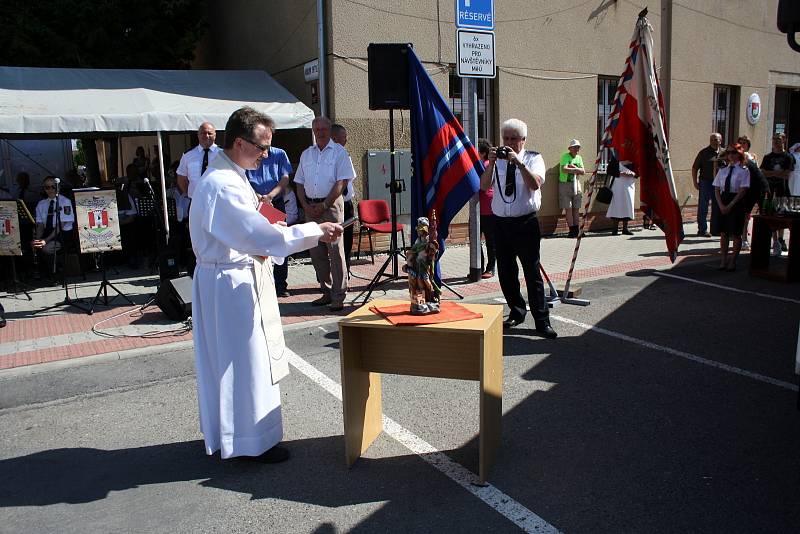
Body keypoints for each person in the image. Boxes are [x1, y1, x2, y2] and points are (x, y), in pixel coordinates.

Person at [190, 106, 343, 463]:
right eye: (261, 147)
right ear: (239, 142)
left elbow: (257, 224)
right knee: (243, 361)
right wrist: (313, 231)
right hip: (229, 283)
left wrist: (278, 227)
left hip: (239, 276)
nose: (266, 155)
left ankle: (247, 435)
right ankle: (248, 442)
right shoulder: (221, 184)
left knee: (250, 359)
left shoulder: (234, 173)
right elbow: (255, 235)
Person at [479, 118, 557, 339]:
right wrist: (492, 163)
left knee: (532, 272)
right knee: (506, 272)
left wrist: (519, 164)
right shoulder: (497, 161)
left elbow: (534, 184)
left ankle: (542, 320)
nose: (510, 143)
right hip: (501, 223)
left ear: (523, 140)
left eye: (514, 139)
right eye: (506, 138)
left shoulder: (533, 158)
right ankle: (516, 310)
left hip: (526, 223)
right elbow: (484, 186)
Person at [294, 116, 356, 312]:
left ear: (329, 130)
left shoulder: (339, 153)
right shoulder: (306, 154)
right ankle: (326, 290)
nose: (320, 132)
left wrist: (325, 204)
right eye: (317, 129)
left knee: (335, 251)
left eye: (323, 128)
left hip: (330, 207)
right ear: (313, 131)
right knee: (316, 251)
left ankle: (339, 295)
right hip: (310, 208)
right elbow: (299, 182)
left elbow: (342, 182)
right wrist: (304, 205)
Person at [246, 122, 295, 297]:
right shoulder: (250, 154)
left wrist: (270, 196)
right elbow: (243, 179)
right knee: (256, 242)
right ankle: (260, 283)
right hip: (255, 203)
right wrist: (259, 197)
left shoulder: (280, 154)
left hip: (276, 202)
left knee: (280, 241)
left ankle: (280, 285)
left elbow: (285, 178)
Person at [713, 144, 750, 271]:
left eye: (734, 152)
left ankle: (733, 260)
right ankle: (723, 259)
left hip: (736, 202)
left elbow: (743, 190)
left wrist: (730, 205)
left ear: (739, 154)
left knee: (735, 233)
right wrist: (721, 205)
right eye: (729, 153)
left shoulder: (744, 170)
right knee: (723, 233)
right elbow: (717, 188)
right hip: (723, 200)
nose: (731, 155)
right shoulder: (723, 170)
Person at [31, 176, 75, 273]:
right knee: (30, 245)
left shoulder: (65, 202)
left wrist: (45, 241)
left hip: (62, 234)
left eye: (53, 187)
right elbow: (40, 225)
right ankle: (42, 272)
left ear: (58, 187)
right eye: (47, 187)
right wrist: (38, 240)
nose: (50, 189)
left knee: (47, 248)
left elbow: (61, 225)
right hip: (48, 232)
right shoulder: (41, 204)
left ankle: (56, 273)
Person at [761, 132, 795, 255]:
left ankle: (781, 240)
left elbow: (787, 174)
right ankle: (774, 241)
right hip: (770, 191)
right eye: (774, 139)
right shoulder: (767, 157)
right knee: (770, 215)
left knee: (782, 217)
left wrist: (771, 173)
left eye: (779, 139)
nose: (776, 141)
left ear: (784, 140)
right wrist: (777, 173)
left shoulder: (788, 157)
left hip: (783, 191)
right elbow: (763, 172)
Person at [330, 123, 356, 275]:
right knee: (334, 242)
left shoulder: (344, 154)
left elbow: (350, 179)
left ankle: (346, 273)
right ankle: (335, 275)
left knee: (347, 241)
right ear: (334, 138)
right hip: (334, 204)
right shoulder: (329, 156)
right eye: (344, 138)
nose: (346, 140)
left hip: (347, 203)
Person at [735, 135, 768, 251]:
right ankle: (744, 239)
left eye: (745, 143)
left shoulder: (752, 156)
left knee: (763, 213)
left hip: (757, 187)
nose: (743, 144)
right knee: (745, 215)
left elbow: (757, 170)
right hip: (746, 188)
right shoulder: (738, 156)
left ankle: (765, 240)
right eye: (740, 142)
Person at [692, 133, 724, 237]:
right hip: (706, 182)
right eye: (712, 140)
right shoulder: (703, 153)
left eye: (716, 139)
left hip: (719, 184)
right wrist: (695, 182)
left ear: (721, 140)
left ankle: (715, 229)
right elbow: (695, 168)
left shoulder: (724, 153)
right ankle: (702, 230)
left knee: (717, 207)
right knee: (703, 206)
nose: (714, 141)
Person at [177, 122, 220, 199]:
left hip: (217, 201)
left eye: (209, 133)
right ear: (198, 135)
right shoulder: (188, 155)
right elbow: (181, 178)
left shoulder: (223, 154)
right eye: (203, 133)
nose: (206, 136)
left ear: (215, 135)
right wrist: (190, 194)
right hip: (195, 201)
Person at [558, 139, 585, 238]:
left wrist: (573, 167)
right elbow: (564, 169)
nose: (577, 149)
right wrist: (577, 169)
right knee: (568, 208)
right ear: (570, 148)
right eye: (575, 147)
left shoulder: (579, 158)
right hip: (565, 184)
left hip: (576, 184)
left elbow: (583, 171)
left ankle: (577, 230)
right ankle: (571, 230)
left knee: (576, 208)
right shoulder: (565, 156)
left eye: (578, 147)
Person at [477, 139, 495, 278]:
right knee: (476, 241)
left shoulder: (487, 165)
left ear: (482, 153)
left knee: (490, 240)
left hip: (488, 209)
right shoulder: (479, 164)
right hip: (477, 209)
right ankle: (478, 266)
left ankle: (490, 268)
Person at [606, 162, 637, 235]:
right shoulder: (615, 159)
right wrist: (620, 173)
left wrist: (634, 174)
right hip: (617, 185)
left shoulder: (634, 159)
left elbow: (639, 171)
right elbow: (609, 171)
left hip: (629, 185)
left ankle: (625, 229)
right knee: (617, 206)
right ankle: (615, 229)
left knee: (627, 206)